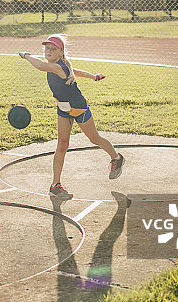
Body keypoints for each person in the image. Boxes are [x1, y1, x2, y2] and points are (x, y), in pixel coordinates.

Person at [19, 34, 124, 199]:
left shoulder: (57, 67)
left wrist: (26, 55)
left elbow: (40, 66)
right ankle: (55, 185)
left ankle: (116, 158)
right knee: (62, 145)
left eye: (53, 49)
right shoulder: (58, 66)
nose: (49, 51)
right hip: (63, 108)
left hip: (78, 107)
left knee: (94, 138)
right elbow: (75, 72)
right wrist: (94, 76)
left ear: (61, 52)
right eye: (47, 48)